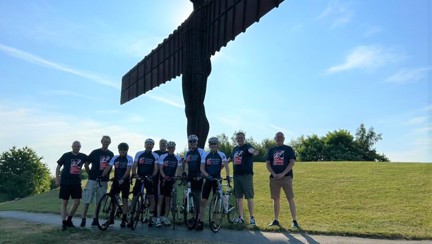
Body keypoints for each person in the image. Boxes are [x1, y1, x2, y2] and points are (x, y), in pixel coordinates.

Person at [266, 132, 299, 228]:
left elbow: (292, 162)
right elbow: (268, 164)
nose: (279, 138)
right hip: (274, 178)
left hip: (286, 177)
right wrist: (274, 174)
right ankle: (276, 220)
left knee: (290, 198)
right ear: (275, 138)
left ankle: (294, 220)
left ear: (284, 138)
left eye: (281, 137)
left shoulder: (288, 149)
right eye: (277, 137)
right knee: (276, 199)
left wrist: (282, 174)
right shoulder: (271, 150)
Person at [80, 136, 114, 227]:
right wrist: (89, 173)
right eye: (104, 141)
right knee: (87, 199)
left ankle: (95, 219)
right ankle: (83, 218)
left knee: (99, 201)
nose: (106, 143)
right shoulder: (95, 152)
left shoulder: (111, 154)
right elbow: (86, 163)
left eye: (107, 141)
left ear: (110, 143)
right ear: (101, 141)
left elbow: (111, 166)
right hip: (92, 179)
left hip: (103, 180)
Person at [198, 137, 230, 231]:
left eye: (214, 144)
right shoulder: (205, 154)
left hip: (217, 180)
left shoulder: (221, 154)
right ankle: (201, 221)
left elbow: (227, 166)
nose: (213, 145)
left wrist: (228, 176)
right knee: (203, 201)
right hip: (208, 179)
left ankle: (214, 221)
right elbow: (201, 168)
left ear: (217, 145)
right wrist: (207, 175)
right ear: (209, 145)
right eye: (211, 144)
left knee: (216, 202)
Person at [227, 132, 259, 225]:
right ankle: (241, 217)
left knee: (249, 196)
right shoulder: (235, 149)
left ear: (244, 138)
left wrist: (255, 152)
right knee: (238, 197)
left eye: (241, 137)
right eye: (238, 138)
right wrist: (221, 166)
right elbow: (230, 159)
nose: (239, 139)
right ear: (236, 139)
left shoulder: (247, 146)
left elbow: (252, 151)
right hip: (236, 176)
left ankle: (252, 218)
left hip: (246, 176)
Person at [55, 141, 88, 230]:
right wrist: (57, 179)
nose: (77, 148)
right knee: (65, 202)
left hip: (76, 183)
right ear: (72, 146)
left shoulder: (83, 156)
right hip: (65, 182)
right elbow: (58, 167)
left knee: (77, 202)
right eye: (75, 146)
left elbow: (91, 162)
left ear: (80, 147)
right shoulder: (66, 155)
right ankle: (63, 222)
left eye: (78, 146)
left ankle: (69, 220)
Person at [100, 142, 133, 228]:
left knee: (124, 200)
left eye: (124, 150)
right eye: (121, 150)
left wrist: (123, 178)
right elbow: (108, 167)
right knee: (113, 199)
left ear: (127, 151)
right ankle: (111, 219)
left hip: (125, 181)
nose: (122, 151)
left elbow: (128, 170)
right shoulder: (115, 158)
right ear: (118, 150)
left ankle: (124, 219)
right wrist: (102, 175)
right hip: (116, 180)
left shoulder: (129, 158)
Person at [130, 138, 159, 227]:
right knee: (135, 196)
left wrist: (153, 175)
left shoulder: (155, 155)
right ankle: (131, 216)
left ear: (153, 146)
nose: (149, 145)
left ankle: (150, 217)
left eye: (150, 144)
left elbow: (156, 167)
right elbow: (134, 165)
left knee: (151, 197)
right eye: (147, 144)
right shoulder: (139, 153)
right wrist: (134, 174)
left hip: (149, 178)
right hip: (140, 177)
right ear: (145, 145)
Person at [155, 141, 183, 227]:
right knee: (160, 199)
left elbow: (180, 168)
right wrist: (164, 176)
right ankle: (158, 218)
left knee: (168, 200)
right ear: (167, 148)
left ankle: (165, 217)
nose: (171, 149)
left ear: (174, 148)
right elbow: (160, 169)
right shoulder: (163, 157)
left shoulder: (177, 158)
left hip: (171, 180)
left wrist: (178, 176)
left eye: (172, 148)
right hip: (163, 180)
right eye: (169, 148)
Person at [181, 134, 206, 228]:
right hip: (190, 176)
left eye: (194, 141)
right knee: (188, 195)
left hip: (198, 176)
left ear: (197, 142)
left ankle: (198, 218)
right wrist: (183, 172)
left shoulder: (201, 152)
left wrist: (202, 175)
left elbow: (204, 164)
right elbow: (183, 162)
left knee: (197, 198)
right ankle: (192, 216)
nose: (192, 143)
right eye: (190, 141)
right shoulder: (187, 153)